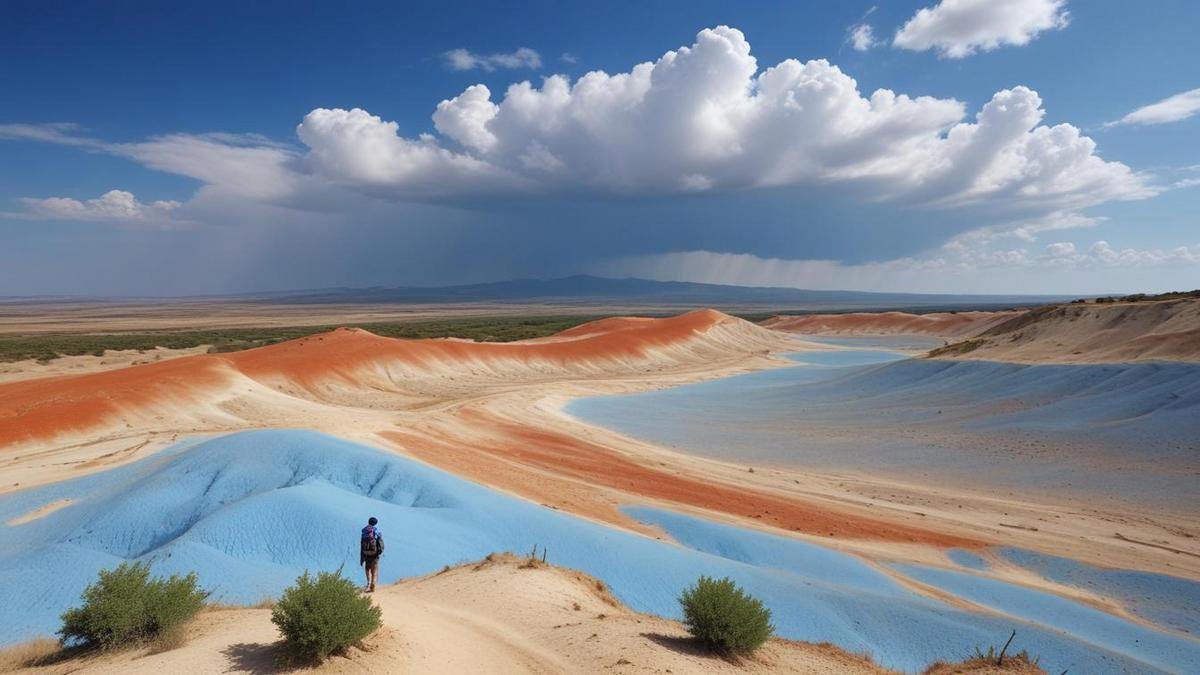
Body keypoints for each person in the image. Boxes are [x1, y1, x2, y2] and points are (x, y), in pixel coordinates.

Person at [360, 516, 384, 592]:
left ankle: (368, 583)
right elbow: (380, 542)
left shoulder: (364, 531)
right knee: (375, 569)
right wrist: (380, 551)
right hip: (375, 554)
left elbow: (361, 544)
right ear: (376, 523)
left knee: (367, 569)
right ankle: (373, 584)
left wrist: (362, 557)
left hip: (366, 554)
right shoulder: (377, 530)